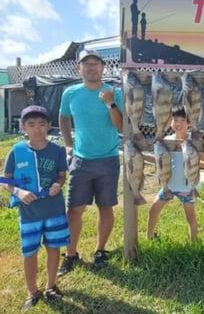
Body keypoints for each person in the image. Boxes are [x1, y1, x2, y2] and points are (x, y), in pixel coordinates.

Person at [57, 49, 123, 276]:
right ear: (79, 68)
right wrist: (68, 144)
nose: (92, 67)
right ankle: (71, 254)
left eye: (96, 63)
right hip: (81, 160)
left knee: (105, 207)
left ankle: (100, 251)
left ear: (103, 67)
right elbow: (63, 117)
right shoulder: (70, 93)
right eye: (87, 64)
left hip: (108, 159)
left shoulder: (114, 92)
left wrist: (111, 103)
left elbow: (120, 126)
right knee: (73, 210)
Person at [2, 105, 69, 311]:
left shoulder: (57, 151)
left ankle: (50, 286)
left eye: (42, 124)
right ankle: (32, 291)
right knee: (29, 252)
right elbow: (6, 180)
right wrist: (18, 193)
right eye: (31, 124)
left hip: (54, 211)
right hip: (29, 214)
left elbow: (61, 175)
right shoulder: (17, 151)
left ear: (49, 125)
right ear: (23, 127)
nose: (37, 129)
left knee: (53, 248)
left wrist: (58, 184)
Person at [146, 106, 204, 241]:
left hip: (187, 188)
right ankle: (149, 236)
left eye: (183, 120)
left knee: (190, 218)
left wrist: (200, 145)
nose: (178, 123)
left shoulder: (193, 140)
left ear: (189, 123)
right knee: (153, 211)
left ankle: (194, 243)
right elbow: (158, 159)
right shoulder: (167, 140)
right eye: (175, 120)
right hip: (169, 186)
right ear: (170, 122)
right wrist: (142, 157)